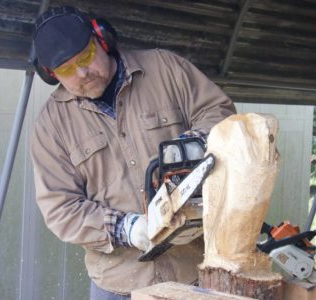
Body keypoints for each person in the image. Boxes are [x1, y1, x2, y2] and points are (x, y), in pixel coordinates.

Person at [30, 6, 236, 299]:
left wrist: (193, 144)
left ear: (102, 39)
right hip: (118, 284)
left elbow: (219, 111)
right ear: (50, 74)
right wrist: (126, 228)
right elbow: (60, 208)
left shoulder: (166, 70)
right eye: (66, 70)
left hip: (195, 269)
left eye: (86, 57)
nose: (82, 73)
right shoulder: (51, 127)